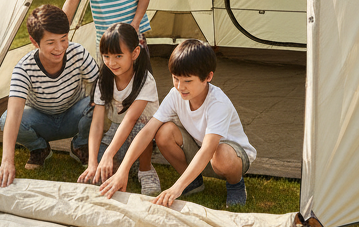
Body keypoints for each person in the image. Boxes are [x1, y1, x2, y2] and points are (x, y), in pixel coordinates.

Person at [99, 39, 254, 209]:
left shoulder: (218, 103)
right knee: (162, 132)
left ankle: (235, 184)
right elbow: (148, 130)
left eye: (188, 81)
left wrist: (175, 189)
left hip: (230, 158)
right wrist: (123, 170)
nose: (180, 87)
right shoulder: (176, 94)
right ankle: (193, 182)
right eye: (175, 78)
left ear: (208, 77)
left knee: (221, 153)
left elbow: (208, 149)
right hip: (199, 150)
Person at [0, 4, 97, 187]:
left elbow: (102, 88)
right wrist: (6, 161)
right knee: (5, 119)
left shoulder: (78, 53)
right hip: (42, 121)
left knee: (97, 103)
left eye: (63, 39)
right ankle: (39, 148)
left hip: (73, 116)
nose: (59, 48)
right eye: (51, 42)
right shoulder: (23, 69)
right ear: (35, 42)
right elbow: (14, 114)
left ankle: (80, 145)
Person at [77, 23, 162, 197]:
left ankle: (145, 169)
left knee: (141, 127)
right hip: (118, 130)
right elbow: (97, 123)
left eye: (118, 56)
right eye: (106, 56)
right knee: (99, 178)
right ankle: (130, 165)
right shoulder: (103, 81)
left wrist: (109, 153)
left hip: (144, 130)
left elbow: (131, 119)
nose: (111, 62)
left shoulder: (145, 81)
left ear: (135, 53)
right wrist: (93, 163)